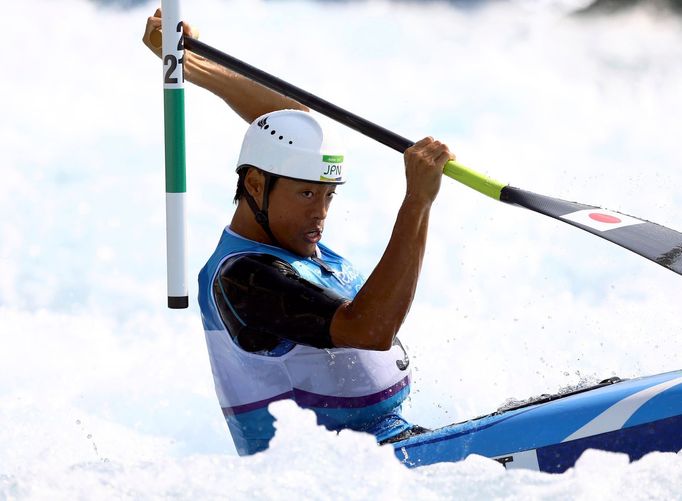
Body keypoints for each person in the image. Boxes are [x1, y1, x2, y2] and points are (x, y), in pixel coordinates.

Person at [143, 9, 455, 456]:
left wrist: (186, 62)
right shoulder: (244, 277)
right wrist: (417, 203)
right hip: (331, 481)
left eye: (329, 196)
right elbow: (369, 330)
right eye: (308, 194)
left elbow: (293, 122)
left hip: (393, 448)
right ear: (254, 185)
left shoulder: (297, 247)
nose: (321, 213)